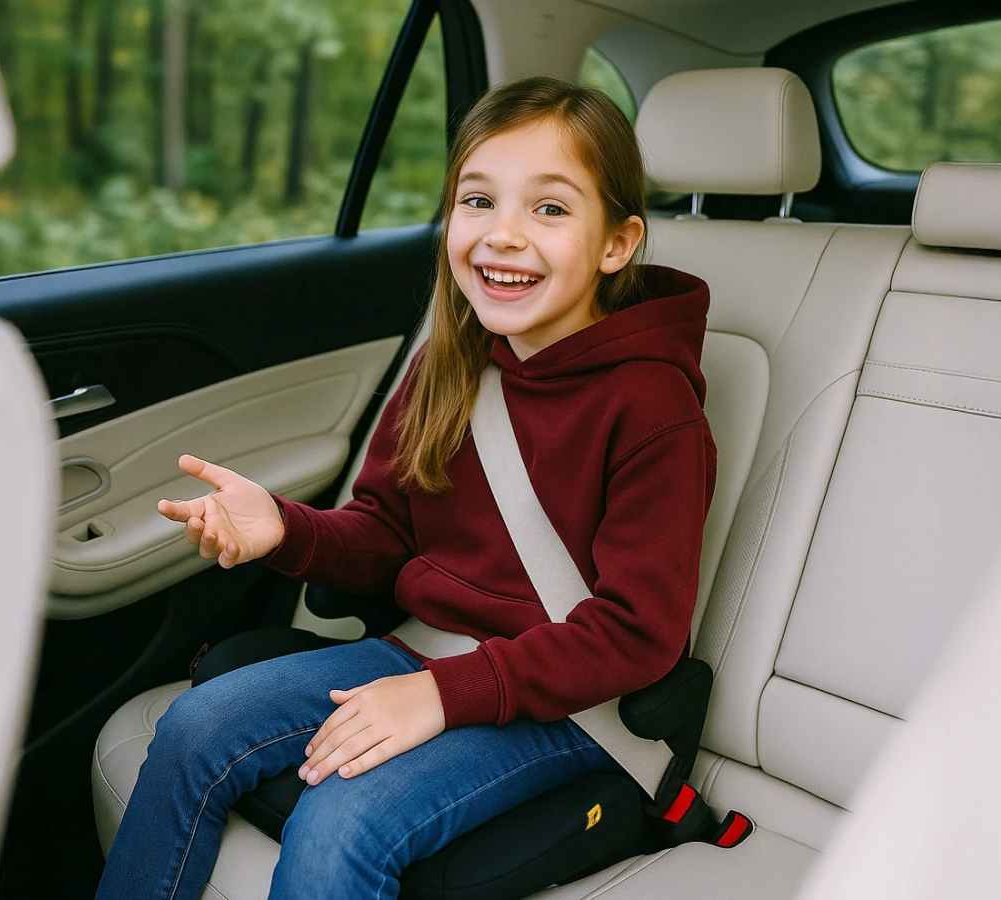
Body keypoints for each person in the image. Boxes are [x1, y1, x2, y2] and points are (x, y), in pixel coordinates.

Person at [94, 75, 718, 900]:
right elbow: (387, 536)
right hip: (421, 652)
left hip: (564, 703)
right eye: (477, 201)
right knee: (191, 727)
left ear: (616, 242)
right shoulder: (450, 364)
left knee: (341, 824)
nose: (504, 235)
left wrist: (440, 695)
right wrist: (286, 529)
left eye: (550, 209)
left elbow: (638, 634)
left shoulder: (652, 406)